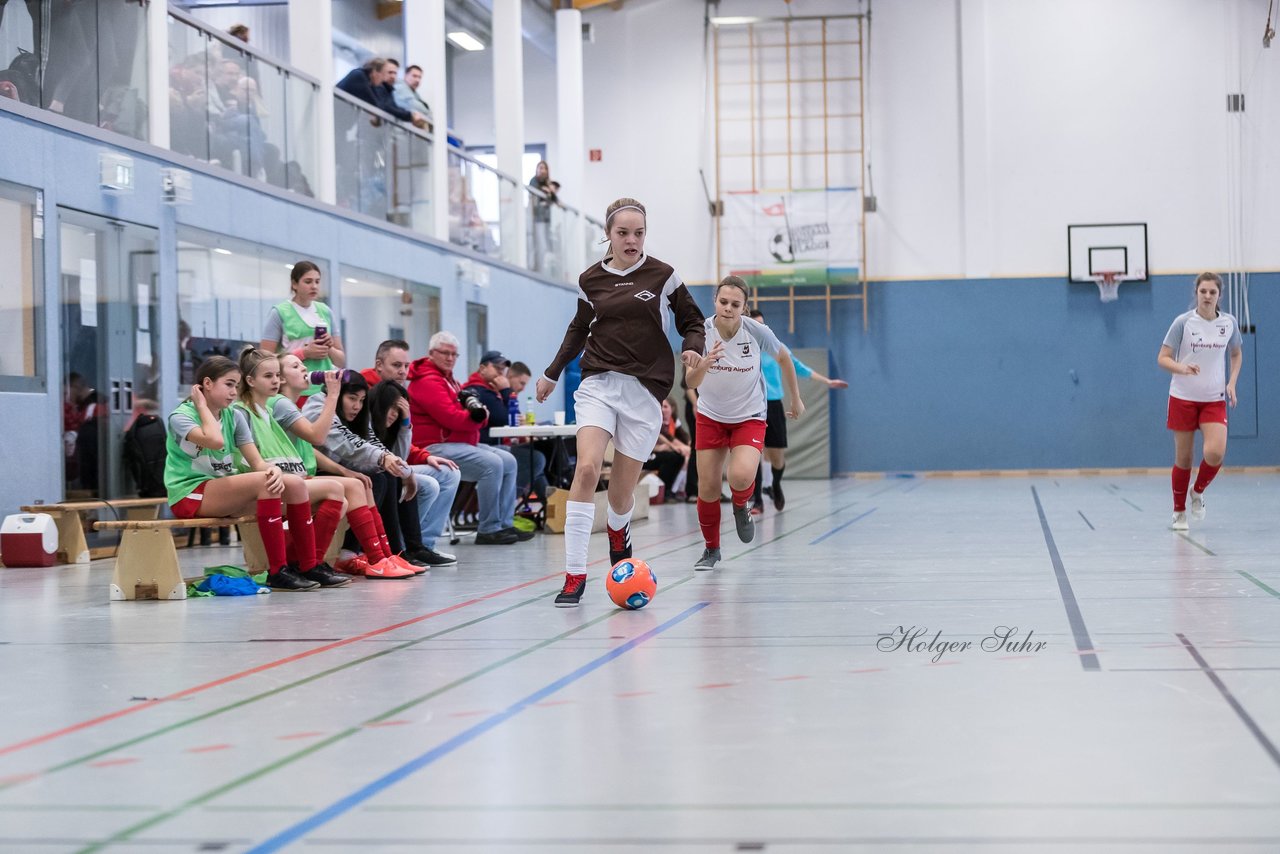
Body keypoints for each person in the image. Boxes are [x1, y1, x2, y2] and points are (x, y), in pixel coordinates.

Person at [537, 197, 706, 607]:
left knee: (620, 495)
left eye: (639, 233)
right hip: (598, 382)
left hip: (645, 391)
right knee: (588, 468)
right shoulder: (589, 279)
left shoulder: (663, 275)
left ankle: (618, 530)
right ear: (608, 235)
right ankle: (574, 574)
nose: (632, 240)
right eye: (623, 233)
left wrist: (693, 347)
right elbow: (578, 329)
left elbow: (692, 321)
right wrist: (552, 371)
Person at [163, 356, 332, 591]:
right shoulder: (182, 416)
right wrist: (202, 406)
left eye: (236, 385)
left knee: (293, 484)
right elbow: (214, 439)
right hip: (191, 493)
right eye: (229, 384)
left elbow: (256, 462)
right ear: (207, 384)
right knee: (266, 483)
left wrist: (273, 470)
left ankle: (307, 565)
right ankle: (277, 570)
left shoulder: (234, 415)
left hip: (220, 491)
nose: (234, 391)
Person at [685, 277, 803, 570]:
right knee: (709, 487)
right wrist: (704, 365)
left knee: (739, 477)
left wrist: (795, 399)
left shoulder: (756, 332)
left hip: (749, 416)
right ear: (715, 301)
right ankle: (711, 550)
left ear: (744, 308)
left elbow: (785, 358)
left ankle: (741, 505)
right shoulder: (700, 332)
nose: (728, 308)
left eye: (735, 304)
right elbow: (689, 381)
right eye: (723, 302)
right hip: (711, 416)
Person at [272, 353, 414, 579]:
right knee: (356, 484)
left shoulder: (290, 406)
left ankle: (382, 556)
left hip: (303, 474)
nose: (304, 368)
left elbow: (311, 450)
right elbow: (318, 439)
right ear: (278, 379)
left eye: (302, 365)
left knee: (364, 481)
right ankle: (336, 560)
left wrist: (344, 470)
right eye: (296, 365)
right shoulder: (281, 404)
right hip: (290, 479)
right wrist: (333, 395)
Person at [231, 349, 354, 588]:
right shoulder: (243, 411)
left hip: (280, 482)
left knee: (341, 491)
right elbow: (317, 438)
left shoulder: (265, 409)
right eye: (268, 376)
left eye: (277, 375)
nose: (275, 381)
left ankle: (309, 563)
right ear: (250, 380)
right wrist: (332, 396)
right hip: (258, 486)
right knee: (335, 488)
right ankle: (303, 564)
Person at [407, 333, 527, 545]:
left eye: (454, 354)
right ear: (431, 353)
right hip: (434, 446)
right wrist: (479, 419)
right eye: (445, 353)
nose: (450, 358)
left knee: (509, 460)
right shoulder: (428, 381)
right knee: (493, 463)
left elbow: (469, 414)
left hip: (458, 442)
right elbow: (454, 418)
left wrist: (475, 416)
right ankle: (488, 528)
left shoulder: (449, 380)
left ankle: (504, 524)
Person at [360, 338, 462, 565]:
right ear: (379, 365)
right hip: (374, 463)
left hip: (391, 459)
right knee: (427, 483)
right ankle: (406, 546)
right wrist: (403, 467)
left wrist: (423, 454)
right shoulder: (363, 393)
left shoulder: (398, 394)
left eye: (406, 366)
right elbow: (368, 442)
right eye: (396, 366)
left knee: (449, 472)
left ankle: (424, 544)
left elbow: (399, 446)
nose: (403, 372)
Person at [1158, 272, 1243, 531]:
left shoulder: (1228, 323)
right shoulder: (1183, 323)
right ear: (1196, 292)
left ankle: (1197, 491)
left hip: (1213, 399)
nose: (1207, 296)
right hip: (1183, 398)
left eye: (1212, 292)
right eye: (1203, 291)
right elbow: (1163, 357)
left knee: (1215, 453)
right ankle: (1179, 511)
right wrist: (1181, 369)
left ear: (1219, 295)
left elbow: (1236, 354)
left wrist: (1231, 383)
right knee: (1184, 458)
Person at [746, 307, 848, 514]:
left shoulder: (776, 348)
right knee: (752, 455)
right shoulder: (743, 349)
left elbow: (799, 367)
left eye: (761, 325)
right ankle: (756, 500)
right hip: (750, 406)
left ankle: (775, 484)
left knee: (776, 457)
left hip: (773, 404)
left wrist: (827, 381)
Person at [260, 260, 346, 399]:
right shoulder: (280, 312)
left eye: (317, 282)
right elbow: (264, 359)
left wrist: (328, 347)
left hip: (326, 389)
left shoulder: (326, 311)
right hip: (295, 391)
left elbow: (340, 361)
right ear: (294, 284)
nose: (314, 286)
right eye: (308, 281)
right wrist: (304, 353)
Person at [642, 398, 691, 500]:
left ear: (672, 409)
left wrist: (688, 445)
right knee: (672, 457)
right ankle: (667, 491)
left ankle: (676, 490)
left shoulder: (673, 421)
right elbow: (665, 437)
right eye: (661, 406)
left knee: (682, 457)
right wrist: (664, 447)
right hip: (648, 454)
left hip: (662, 451)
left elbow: (682, 436)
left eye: (665, 407)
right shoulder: (655, 419)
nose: (662, 409)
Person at [528, 161, 557, 273]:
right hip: (537, 219)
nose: (542, 170)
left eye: (544, 168)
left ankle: (543, 269)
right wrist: (546, 191)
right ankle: (537, 269)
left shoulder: (548, 183)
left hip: (546, 219)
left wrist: (550, 191)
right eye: (540, 168)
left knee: (545, 246)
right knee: (539, 245)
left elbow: (553, 198)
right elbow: (535, 195)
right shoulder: (534, 181)